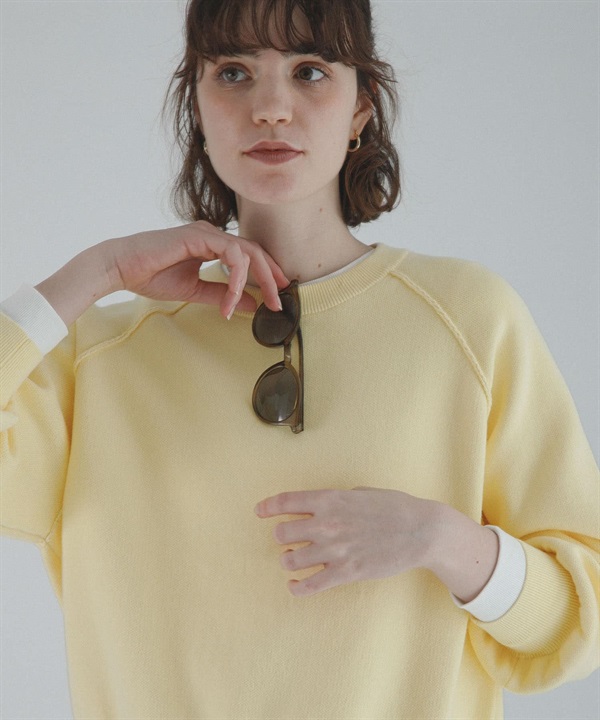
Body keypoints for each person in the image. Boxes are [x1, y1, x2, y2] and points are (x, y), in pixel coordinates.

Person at [1, 0, 598, 718]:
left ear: (360, 108)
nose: (271, 108)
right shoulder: (102, 359)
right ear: (197, 105)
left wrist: (442, 538)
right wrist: (96, 272)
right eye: (233, 73)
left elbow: (577, 620)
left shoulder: (469, 320)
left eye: (309, 70)